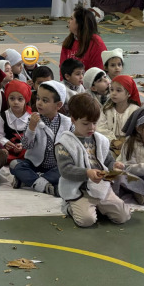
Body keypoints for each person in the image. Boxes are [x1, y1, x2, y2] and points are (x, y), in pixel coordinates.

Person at [56, 93, 131, 228]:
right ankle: (70, 206)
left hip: (100, 187)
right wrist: (87, 173)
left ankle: (97, 207)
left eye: (94, 123)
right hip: (79, 190)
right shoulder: (65, 143)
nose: (91, 127)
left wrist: (115, 165)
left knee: (123, 216)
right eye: (86, 123)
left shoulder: (100, 140)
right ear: (73, 120)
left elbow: (108, 160)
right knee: (87, 220)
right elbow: (65, 170)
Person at [10, 81, 71, 196]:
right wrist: (31, 128)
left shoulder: (67, 123)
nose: (39, 103)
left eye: (45, 100)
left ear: (58, 105)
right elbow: (26, 145)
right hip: (34, 164)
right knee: (14, 164)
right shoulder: (32, 119)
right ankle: (46, 186)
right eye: (38, 98)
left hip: (55, 167)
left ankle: (30, 180)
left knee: (66, 169)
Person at [98, 75, 142, 149]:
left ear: (128, 93)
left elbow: (139, 132)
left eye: (118, 90)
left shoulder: (135, 110)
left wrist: (126, 143)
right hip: (108, 144)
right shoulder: (106, 109)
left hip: (130, 146)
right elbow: (100, 127)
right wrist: (113, 141)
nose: (113, 93)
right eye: (112, 90)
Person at [59, 4, 107, 73]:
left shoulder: (96, 43)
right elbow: (62, 68)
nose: (68, 21)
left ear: (80, 23)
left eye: (72, 19)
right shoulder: (69, 41)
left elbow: (98, 72)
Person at [0, 80, 31, 164]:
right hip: (9, 150)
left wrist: (22, 145)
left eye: (20, 99)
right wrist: (5, 142)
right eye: (12, 98)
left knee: (29, 154)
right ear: (7, 99)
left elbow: (34, 137)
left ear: (26, 100)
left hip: (26, 150)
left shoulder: (31, 117)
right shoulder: (4, 116)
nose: (15, 102)